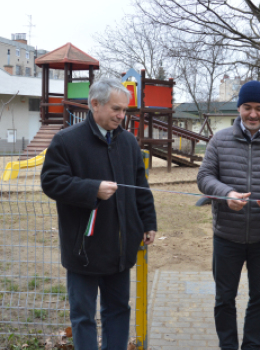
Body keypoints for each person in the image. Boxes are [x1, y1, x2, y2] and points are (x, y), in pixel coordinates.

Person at [41, 78, 157, 350]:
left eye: (124, 110)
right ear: (95, 104)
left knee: (118, 310)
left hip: (119, 248)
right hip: (83, 249)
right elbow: (51, 182)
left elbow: (141, 186)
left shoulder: (128, 142)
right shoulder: (66, 141)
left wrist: (149, 222)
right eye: (116, 109)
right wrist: (92, 189)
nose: (121, 116)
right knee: (83, 317)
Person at [197, 80, 260, 350]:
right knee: (224, 298)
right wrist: (226, 193)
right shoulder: (219, 140)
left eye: (259, 108)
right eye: (247, 107)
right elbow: (205, 177)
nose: (253, 114)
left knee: (259, 298)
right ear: (239, 108)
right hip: (227, 236)